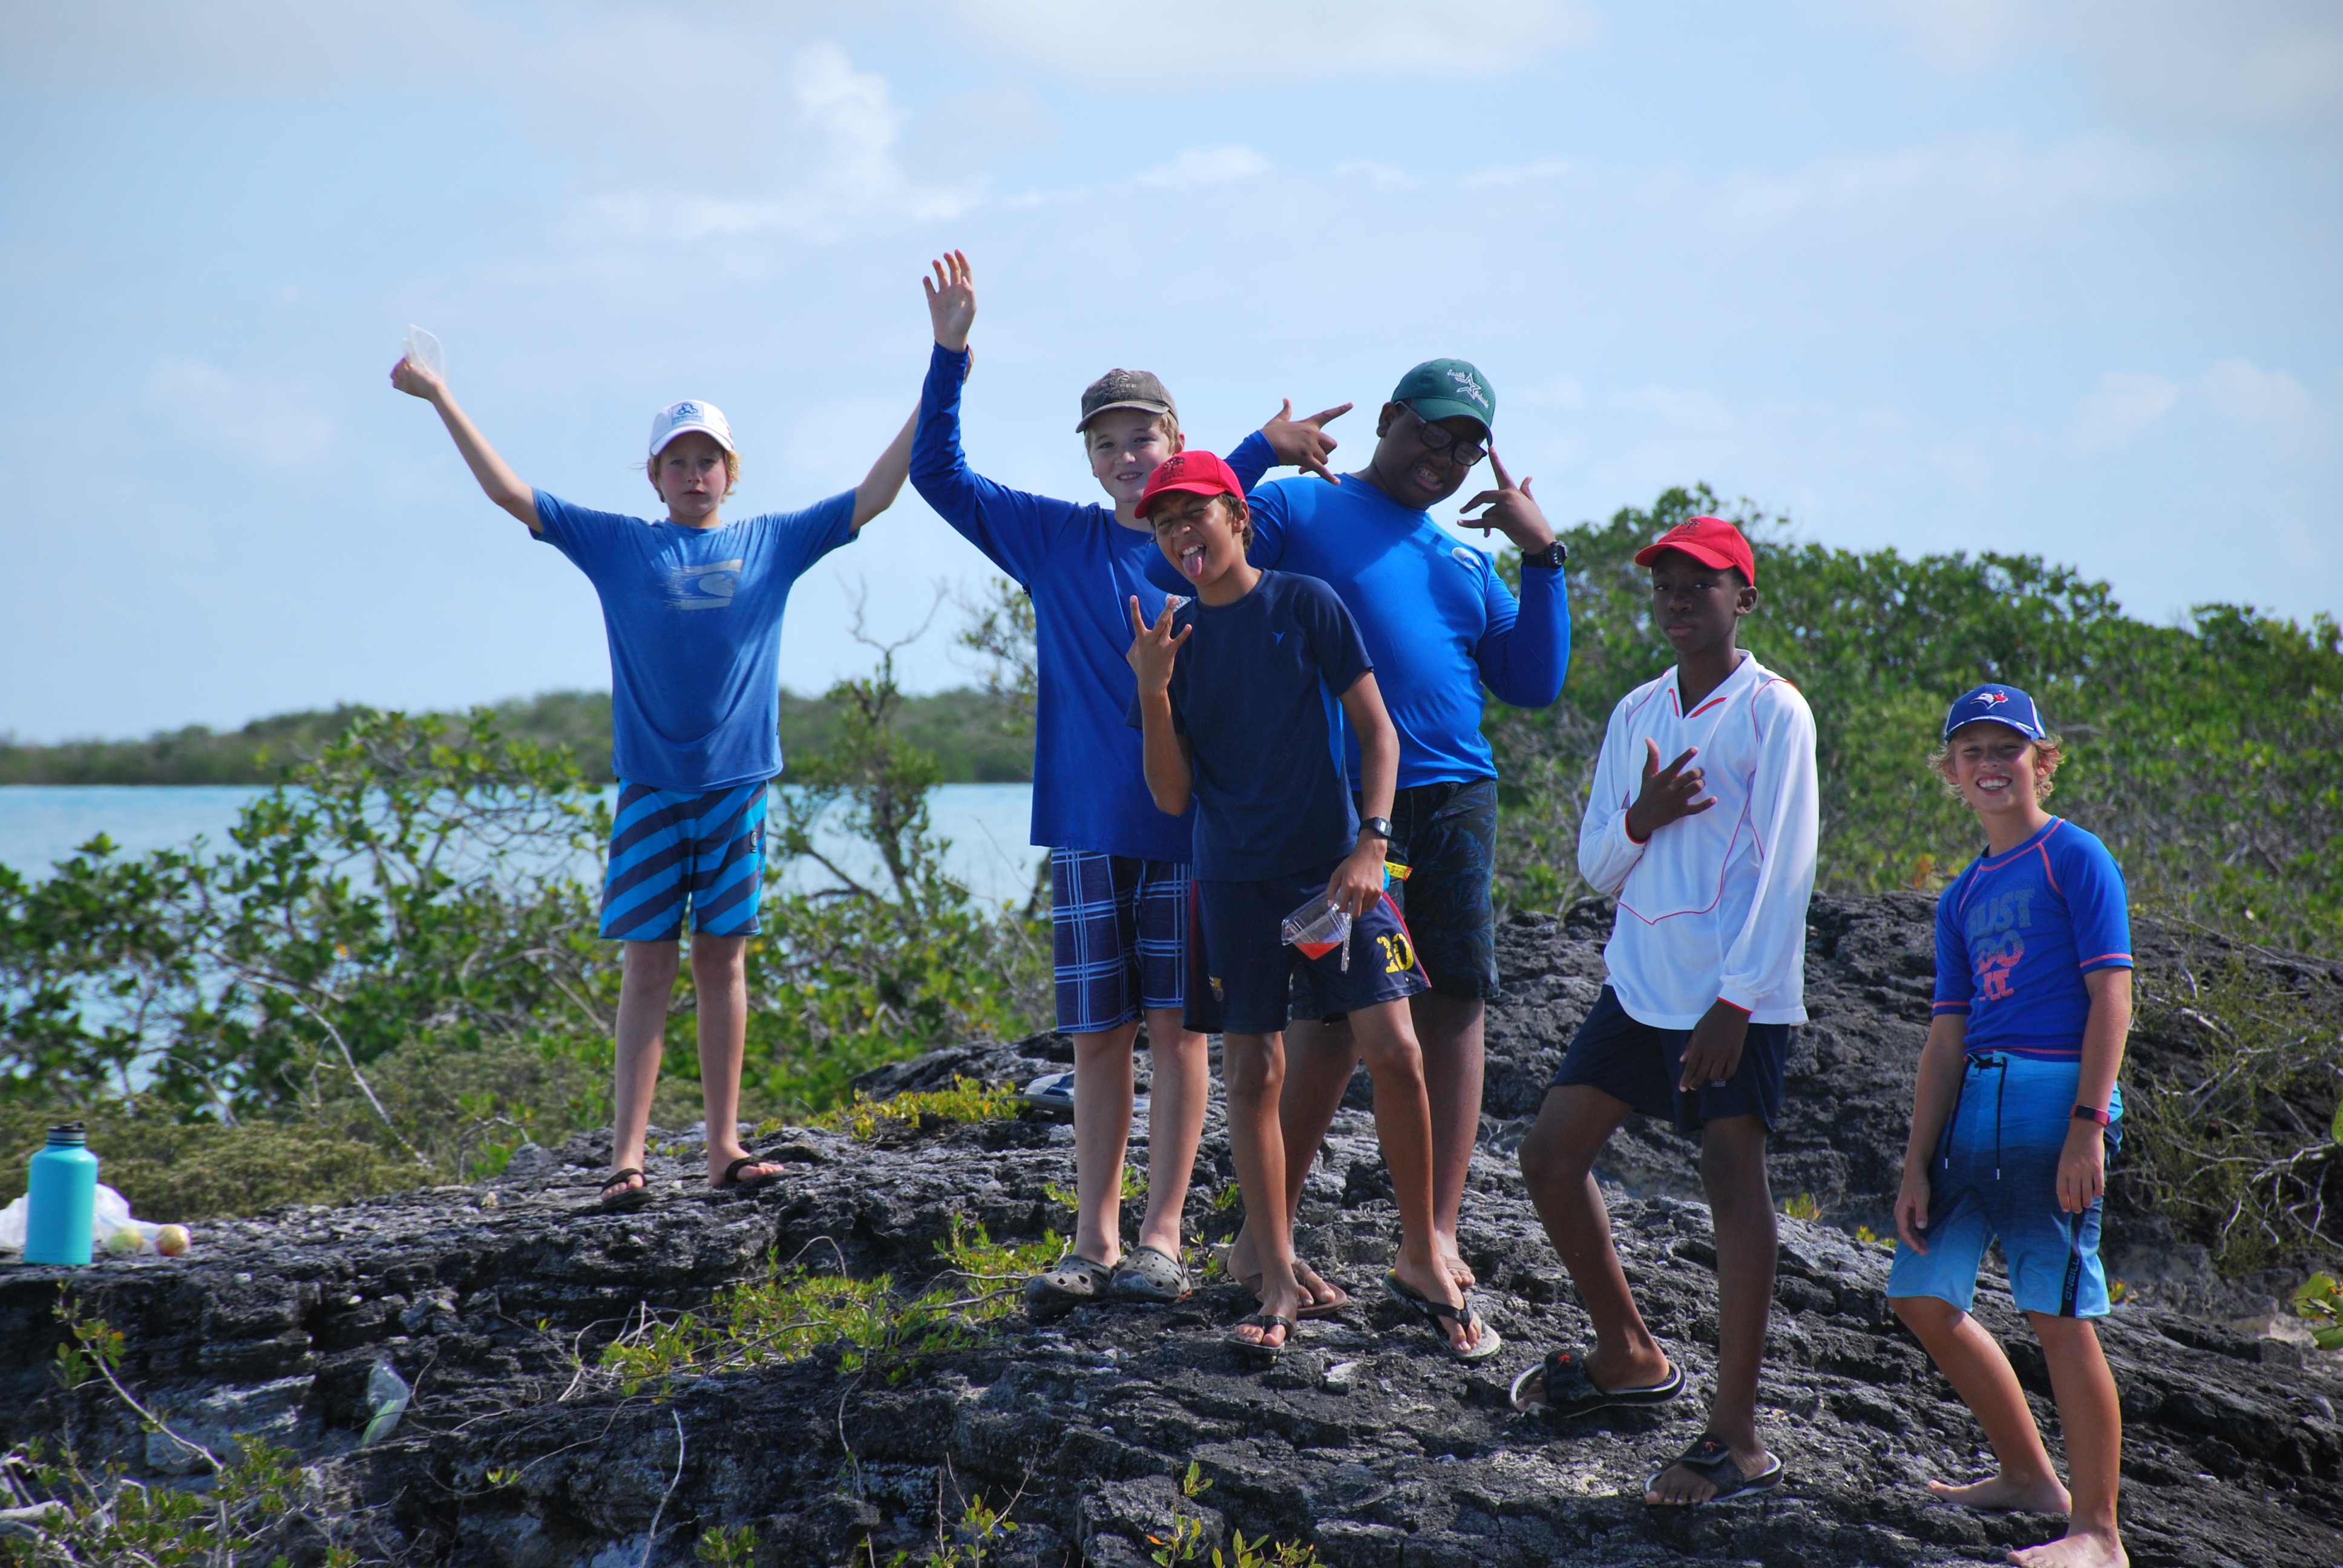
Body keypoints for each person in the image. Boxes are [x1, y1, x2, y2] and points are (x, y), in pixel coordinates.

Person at [909, 251, 1351, 1316]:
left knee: (1180, 1031)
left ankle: (1163, 1236)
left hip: (1191, 831)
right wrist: (950, 353)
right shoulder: (1053, 539)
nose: (1121, 457)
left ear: (1177, 443)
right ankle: (1093, 1238)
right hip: (1088, 826)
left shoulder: (1192, 544)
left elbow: (1208, 515)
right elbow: (938, 475)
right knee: (1097, 1036)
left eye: (1141, 437)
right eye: (1104, 443)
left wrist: (1254, 449)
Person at [390, 351, 917, 1204]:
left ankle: (722, 1147)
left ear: (730, 473)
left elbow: (876, 494)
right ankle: (626, 1160)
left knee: (723, 960)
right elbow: (512, 495)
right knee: (648, 964)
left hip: (738, 786)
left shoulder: (770, 541)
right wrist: (442, 394)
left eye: (708, 459)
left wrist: (941, 376)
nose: (694, 473)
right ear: (655, 475)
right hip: (650, 787)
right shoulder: (622, 544)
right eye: (679, 460)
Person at [1149, 361, 1570, 1315]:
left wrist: (1542, 559)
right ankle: (1264, 1239)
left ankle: (1437, 1232)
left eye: (1469, 445)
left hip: (1454, 790)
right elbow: (1181, 547)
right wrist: (1262, 450)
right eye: (1432, 431)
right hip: (1337, 809)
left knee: (1454, 1003)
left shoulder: (1464, 559)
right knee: (1327, 1028)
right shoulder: (1307, 506)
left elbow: (1533, 680)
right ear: (1388, 420)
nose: (1447, 455)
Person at [1125, 449, 1496, 1363]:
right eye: (1165, 525)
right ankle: (1280, 1273)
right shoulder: (1173, 641)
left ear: (1238, 519)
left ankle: (1421, 1252)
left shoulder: (1305, 604)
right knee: (1253, 1074)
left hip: (1332, 874)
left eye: (1195, 516)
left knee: (1398, 1050)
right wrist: (1151, 688)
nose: (1181, 535)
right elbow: (1172, 799)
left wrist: (1374, 841)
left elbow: (1378, 730)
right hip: (1235, 884)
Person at [1511, 515, 1818, 1508]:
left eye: (1703, 584)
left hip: (1734, 994)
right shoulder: (1637, 711)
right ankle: (1629, 1356)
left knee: (1733, 1180)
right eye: (1666, 587)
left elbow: (1787, 869)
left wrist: (1738, 1002)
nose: (1681, 601)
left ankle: (1736, 1436)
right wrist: (1641, 817)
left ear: (1745, 597)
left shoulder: (1776, 712)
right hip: (1641, 981)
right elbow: (1598, 864)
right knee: (1551, 1156)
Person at [1887, 685, 2131, 1568]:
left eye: (2008, 749)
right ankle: (2031, 1476)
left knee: (2058, 1312)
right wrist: (1917, 1162)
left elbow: (2114, 995)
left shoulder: (2077, 857)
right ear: (1951, 773)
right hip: (1971, 1110)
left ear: (2043, 760)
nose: (1991, 766)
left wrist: (2087, 1123)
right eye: (1973, 753)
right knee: (1920, 1291)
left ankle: (2098, 1534)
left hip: (2052, 1096)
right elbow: (1945, 1037)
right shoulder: (1960, 896)